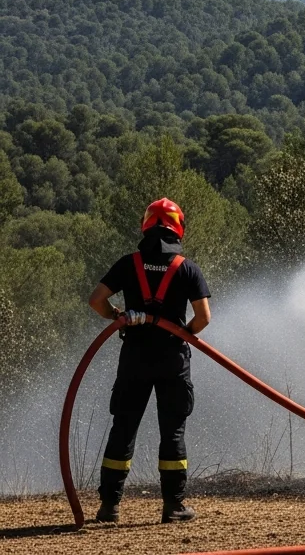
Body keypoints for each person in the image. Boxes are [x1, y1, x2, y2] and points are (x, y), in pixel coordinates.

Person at [87, 197, 211, 523]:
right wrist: (183, 332)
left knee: (123, 428)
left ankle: (109, 507)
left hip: (135, 359)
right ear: (178, 228)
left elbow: (97, 300)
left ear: (146, 225)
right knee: (172, 432)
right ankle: (174, 506)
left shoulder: (129, 264)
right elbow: (204, 317)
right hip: (173, 359)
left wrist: (118, 316)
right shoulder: (187, 268)